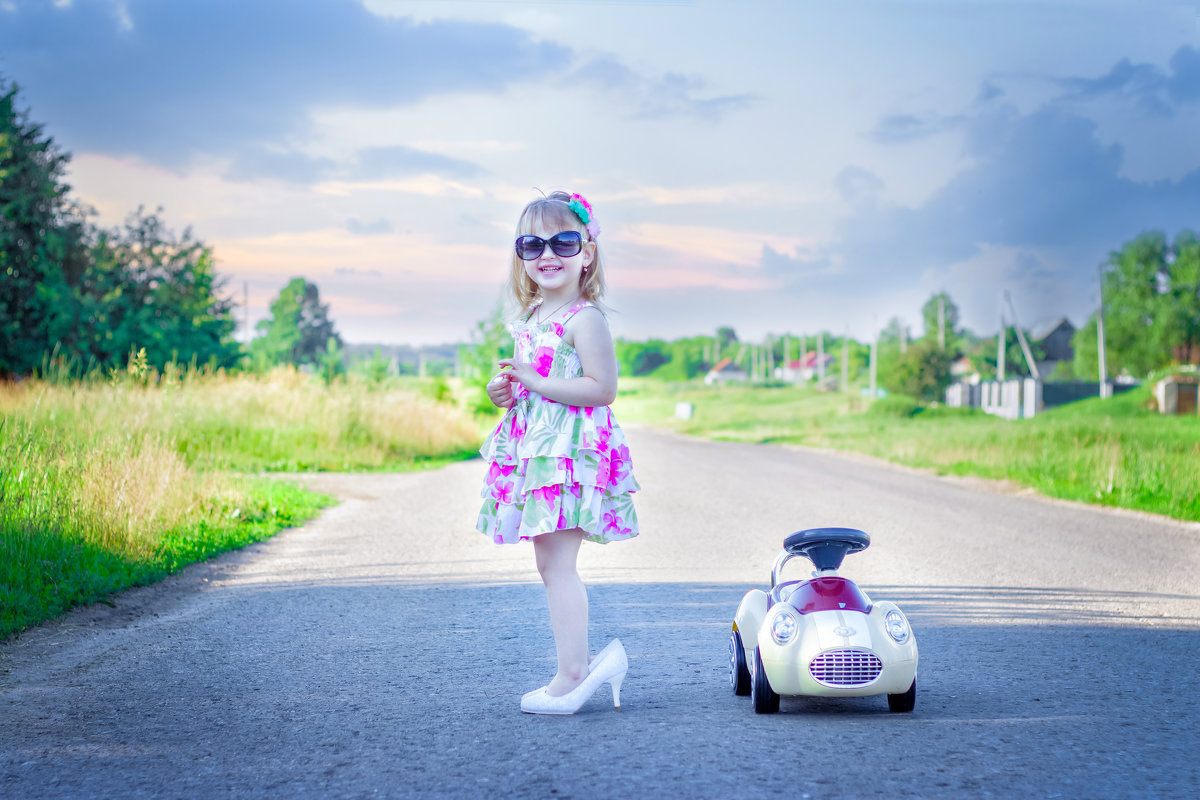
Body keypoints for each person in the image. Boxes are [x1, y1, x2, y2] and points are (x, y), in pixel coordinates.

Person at [476, 191, 640, 715]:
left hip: (570, 454)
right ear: (520, 256)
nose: (548, 253)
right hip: (541, 449)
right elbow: (535, 386)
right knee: (550, 564)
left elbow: (602, 388)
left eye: (563, 241)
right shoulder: (530, 315)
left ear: (586, 253)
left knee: (558, 566)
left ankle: (573, 673)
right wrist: (508, 391)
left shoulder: (583, 318)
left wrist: (537, 380)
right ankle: (584, 666)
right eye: (532, 243)